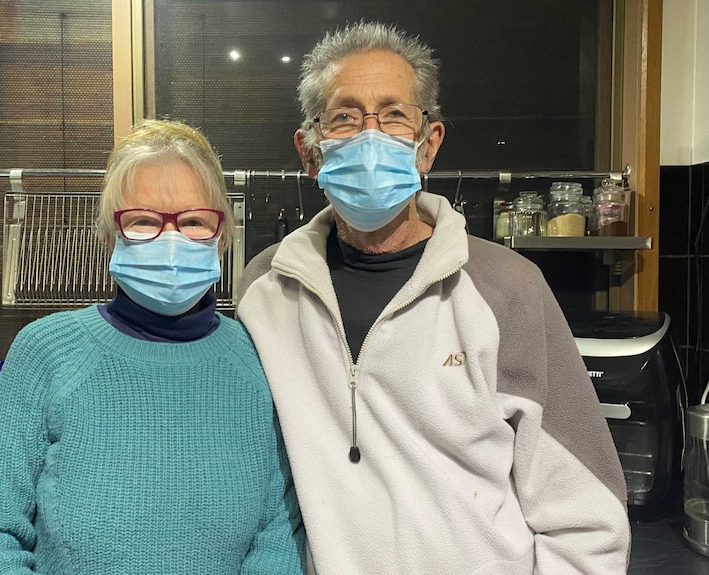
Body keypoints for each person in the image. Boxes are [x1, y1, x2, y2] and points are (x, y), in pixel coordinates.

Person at [236, 21, 630, 574]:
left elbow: (587, 514)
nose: (370, 135)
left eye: (394, 114)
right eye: (344, 116)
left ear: (428, 145)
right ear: (311, 152)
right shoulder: (265, 290)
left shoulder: (508, 289)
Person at [0, 119, 306, 575]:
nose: (171, 239)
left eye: (194, 221)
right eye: (143, 221)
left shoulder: (259, 358)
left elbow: (279, 533)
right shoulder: (45, 351)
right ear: (109, 236)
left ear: (221, 239)